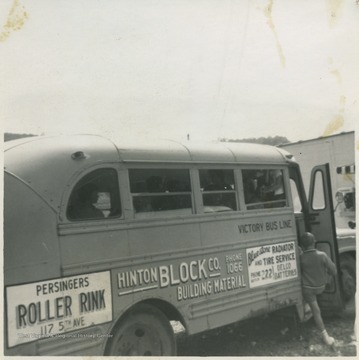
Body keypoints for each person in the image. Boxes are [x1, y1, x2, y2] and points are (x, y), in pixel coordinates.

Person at [300, 232, 337, 346]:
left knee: (316, 312)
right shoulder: (322, 255)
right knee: (315, 307)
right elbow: (334, 271)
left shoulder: (300, 258)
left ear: (302, 245)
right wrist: (327, 278)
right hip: (321, 287)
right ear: (314, 242)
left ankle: (325, 336)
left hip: (308, 290)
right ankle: (307, 308)